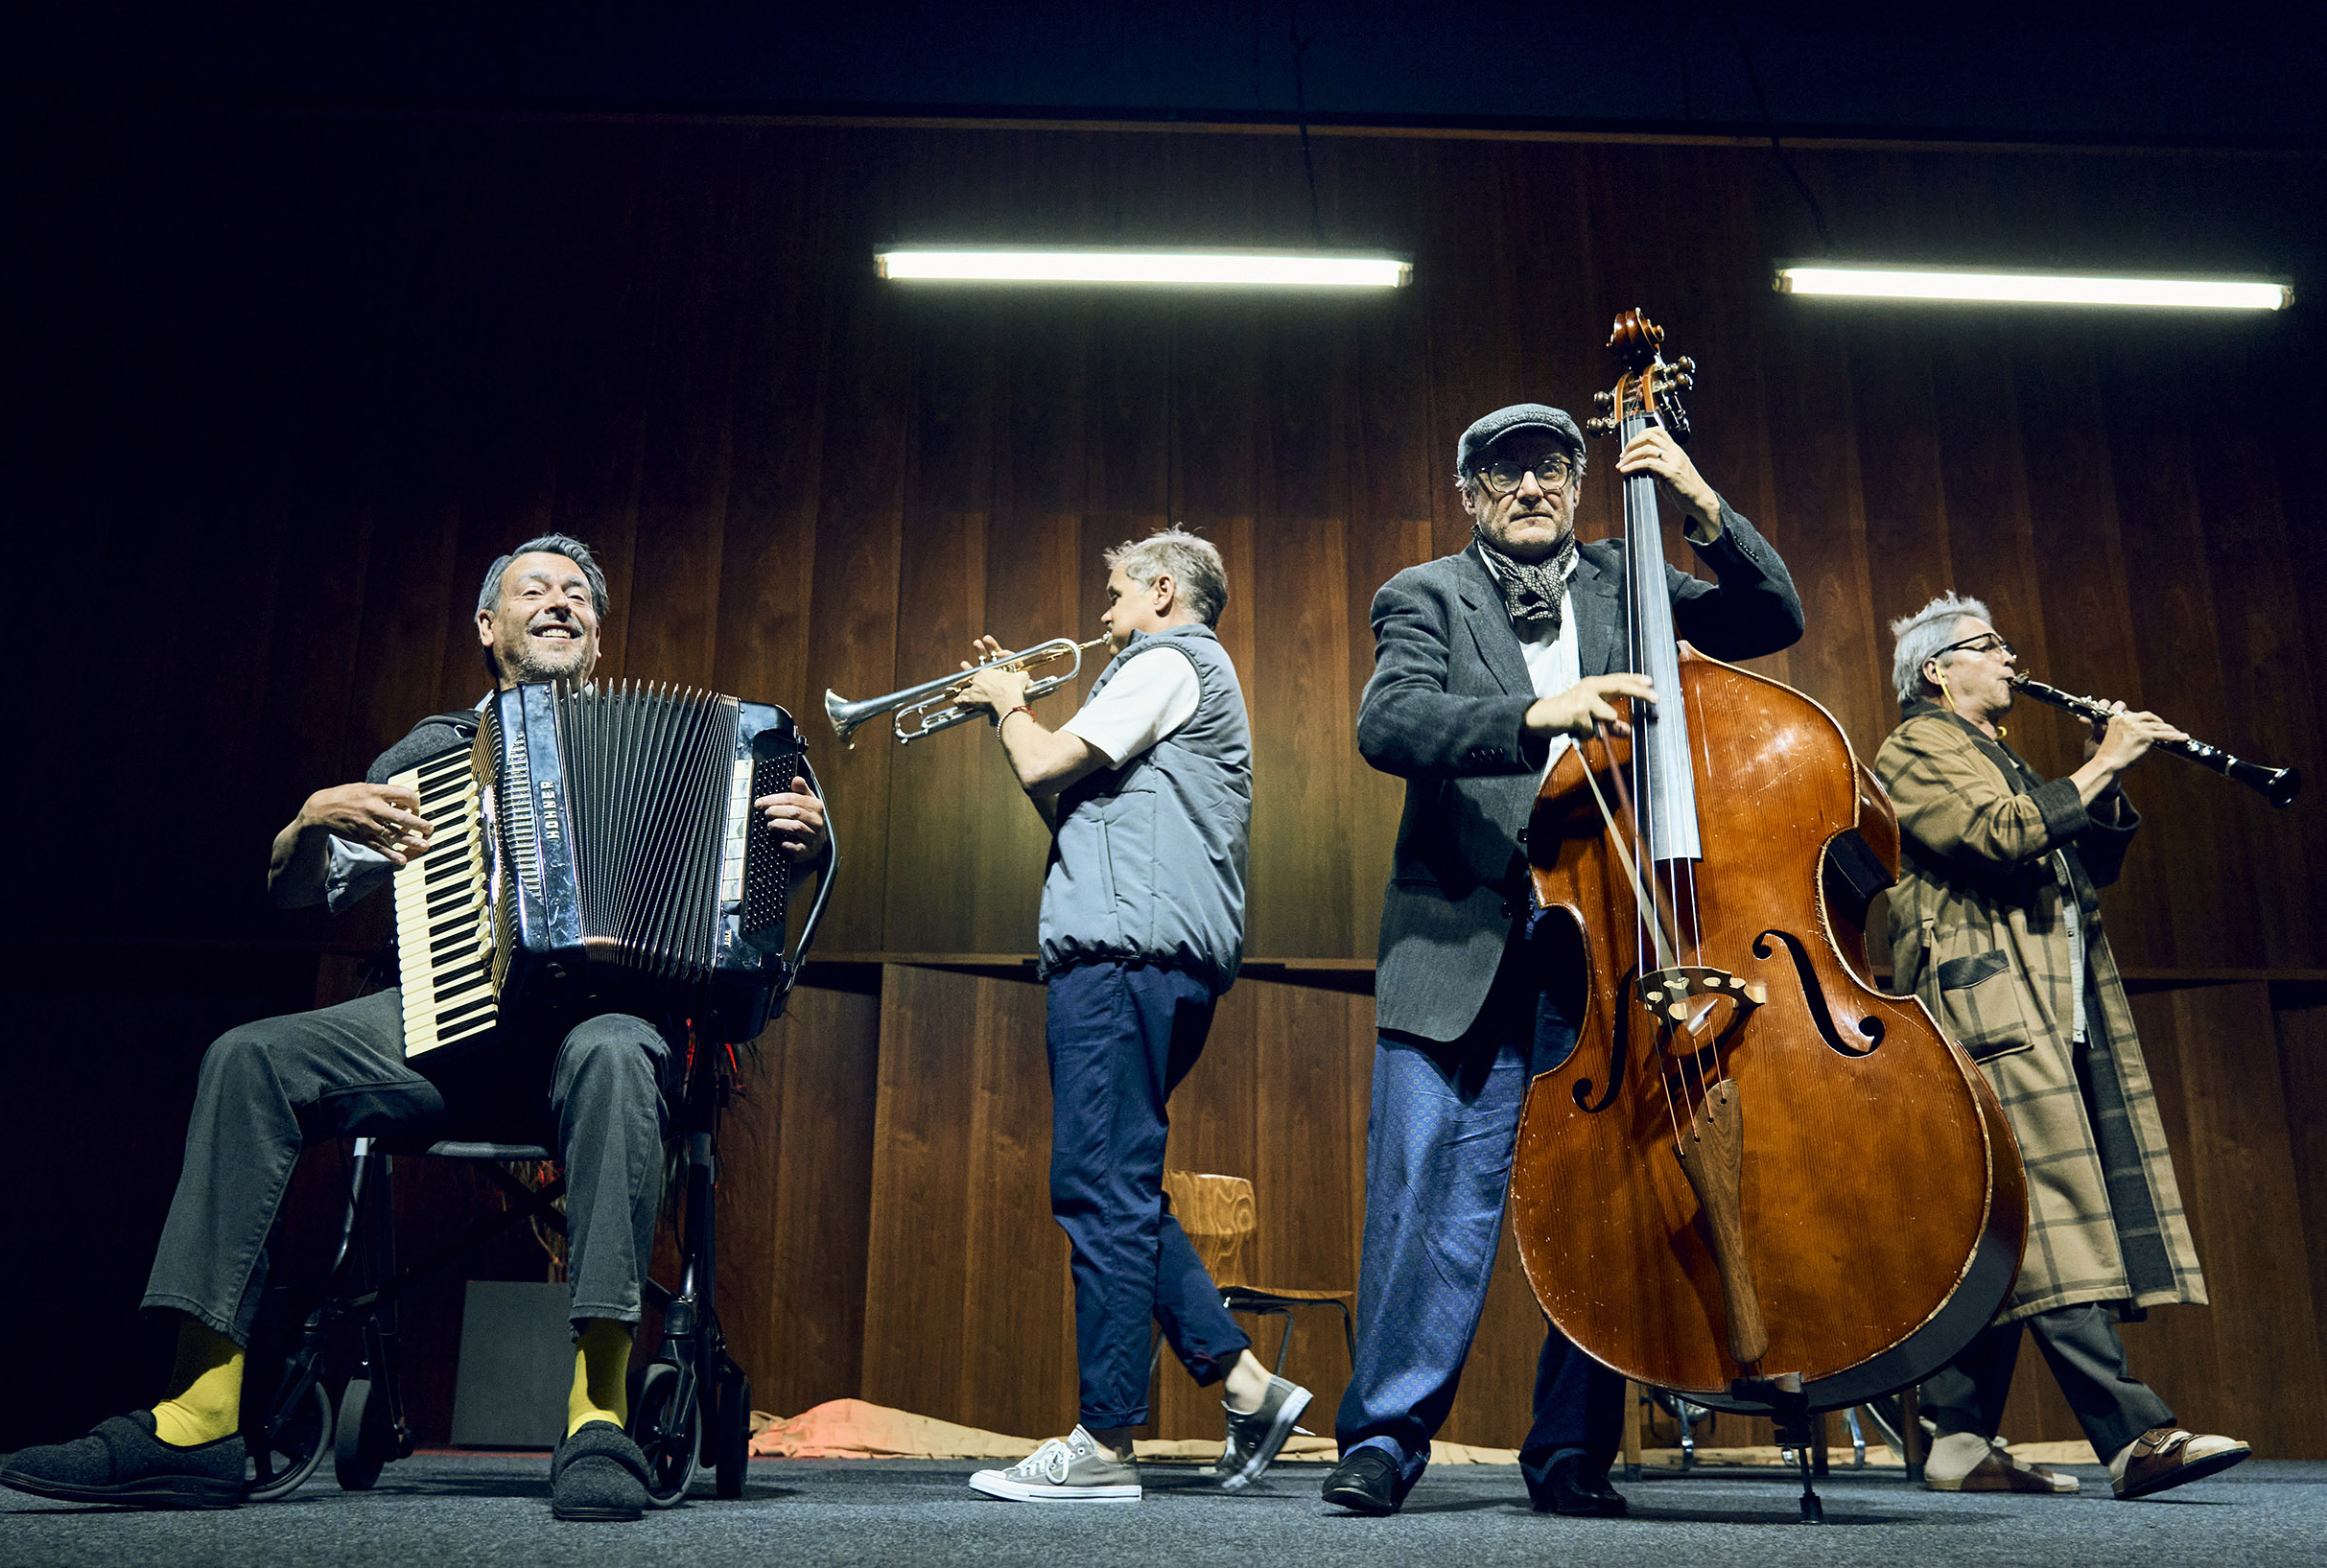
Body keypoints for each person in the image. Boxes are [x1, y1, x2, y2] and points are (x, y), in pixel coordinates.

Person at [0, 535, 828, 1522]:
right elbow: (296, 892)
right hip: (442, 1034)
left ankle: (596, 1415)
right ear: (489, 626)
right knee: (249, 1057)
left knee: (613, 1049)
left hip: (596, 1044)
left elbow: (751, 925)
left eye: (577, 597)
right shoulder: (430, 754)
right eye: (534, 590)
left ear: (597, 639)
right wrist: (307, 823)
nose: (559, 604)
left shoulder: (716, 748)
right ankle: (197, 1416)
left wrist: (796, 847)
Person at [1324, 403, 1804, 1517]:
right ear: (1469, 495)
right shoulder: (1423, 595)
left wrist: (1691, 493)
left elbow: (1769, 612)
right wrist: (1540, 712)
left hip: (1606, 956)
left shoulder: (1632, 586)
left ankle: (1570, 1454)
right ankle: (1385, 1439)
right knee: (1421, 1201)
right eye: (1504, 473)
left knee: (1602, 1202)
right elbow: (1387, 723)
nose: (1529, 487)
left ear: (1579, 485)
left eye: (1549, 468)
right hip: (1456, 950)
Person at [952, 527, 1304, 1503]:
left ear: (1160, 591)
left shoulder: (1166, 659)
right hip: (1147, 955)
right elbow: (1078, 813)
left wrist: (1010, 704)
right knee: (1118, 1186)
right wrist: (1011, 715)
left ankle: (1103, 1444)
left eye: (1112, 595)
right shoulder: (1172, 679)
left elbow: (1041, 765)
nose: (1101, 617)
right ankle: (1246, 1388)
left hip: (1122, 960)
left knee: (1097, 1192)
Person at [1875, 594, 2248, 1501]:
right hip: (1983, 1007)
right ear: (1938, 670)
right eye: (1988, 646)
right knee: (2049, 1207)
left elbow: (2078, 861)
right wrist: (2104, 763)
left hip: (2047, 1000)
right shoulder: (1914, 744)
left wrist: (2098, 773)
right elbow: (1990, 835)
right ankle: (2132, 1434)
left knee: (2004, 1223)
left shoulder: (1994, 751)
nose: (2010, 659)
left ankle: (1954, 1437)